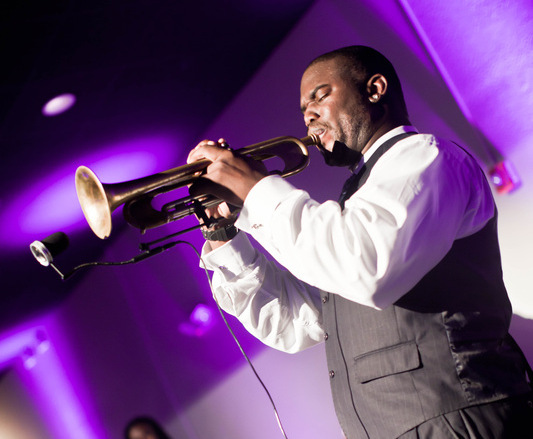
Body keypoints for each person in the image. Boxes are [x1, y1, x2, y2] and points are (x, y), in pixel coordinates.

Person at [187, 46, 533, 438]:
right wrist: (223, 234)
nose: (309, 115)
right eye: (303, 109)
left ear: (374, 89)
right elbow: (291, 324)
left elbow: (366, 269)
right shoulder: (358, 205)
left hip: (458, 420)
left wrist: (255, 189)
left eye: (320, 96)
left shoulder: (425, 157)